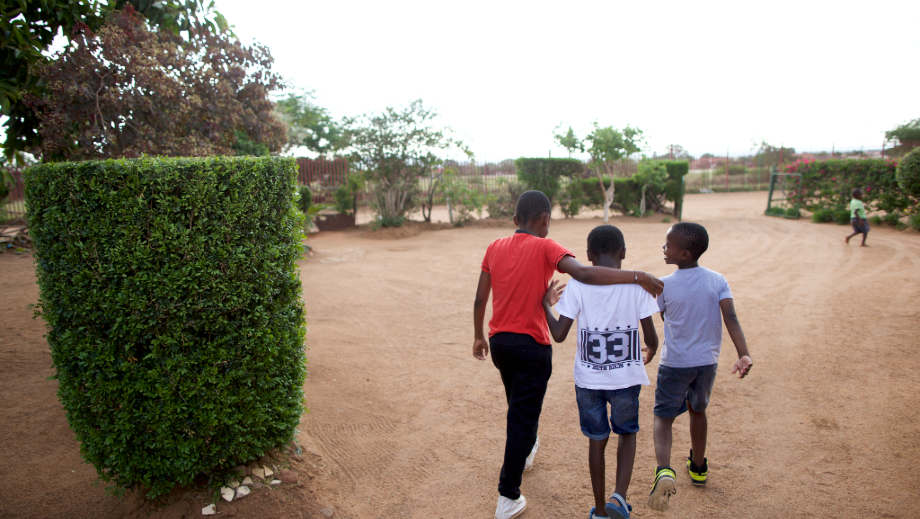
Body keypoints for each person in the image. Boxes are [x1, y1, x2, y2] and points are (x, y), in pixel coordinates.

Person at [473, 191, 664, 519]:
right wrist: (639, 276)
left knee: (519, 407)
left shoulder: (494, 246)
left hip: (500, 343)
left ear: (516, 219)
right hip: (532, 346)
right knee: (522, 415)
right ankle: (508, 495)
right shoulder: (547, 246)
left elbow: (480, 299)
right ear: (545, 219)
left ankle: (528, 449)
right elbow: (585, 273)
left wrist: (479, 335)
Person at [541, 225, 659, 519]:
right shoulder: (637, 286)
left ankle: (600, 510)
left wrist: (545, 305)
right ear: (623, 253)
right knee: (627, 433)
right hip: (626, 379)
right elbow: (650, 336)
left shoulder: (577, 286)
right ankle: (619, 496)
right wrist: (653, 348)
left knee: (597, 439)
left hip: (588, 381)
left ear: (589, 255)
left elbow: (559, 334)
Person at [647, 222, 753, 513]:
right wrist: (743, 354)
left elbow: (657, 316)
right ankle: (698, 467)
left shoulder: (663, 285)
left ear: (684, 254)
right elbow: (731, 317)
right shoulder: (718, 280)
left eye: (668, 245)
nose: (664, 248)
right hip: (706, 363)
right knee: (698, 409)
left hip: (675, 363)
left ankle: (664, 470)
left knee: (663, 417)